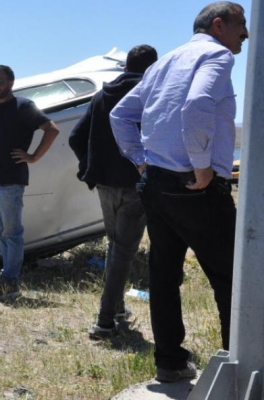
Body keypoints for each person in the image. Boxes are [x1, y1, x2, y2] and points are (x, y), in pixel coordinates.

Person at [110, 1, 247, 383]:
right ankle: (237, 372)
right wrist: (202, 165)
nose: (246, 35)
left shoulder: (164, 61)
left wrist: (140, 160)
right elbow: (197, 104)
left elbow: (119, 115)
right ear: (219, 25)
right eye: (242, 25)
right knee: (230, 279)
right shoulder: (217, 55)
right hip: (195, 185)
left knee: (164, 276)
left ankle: (170, 363)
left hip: (155, 182)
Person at [69, 44, 158, 340]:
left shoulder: (101, 97)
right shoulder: (151, 95)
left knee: (116, 247)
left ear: (125, 67)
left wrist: (92, 166)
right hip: (137, 183)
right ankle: (105, 321)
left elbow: (75, 138)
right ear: (152, 69)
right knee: (122, 251)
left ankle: (117, 309)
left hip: (105, 185)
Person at [0, 65, 60, 300]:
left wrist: (33, 157)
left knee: (12, 233)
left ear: (11, 82)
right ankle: (7, 275)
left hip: (10, 181)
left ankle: (10, 281)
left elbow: (51, 129)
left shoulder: (24, 106)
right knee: (1, 232)